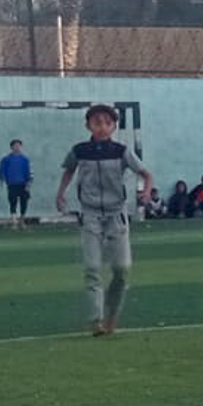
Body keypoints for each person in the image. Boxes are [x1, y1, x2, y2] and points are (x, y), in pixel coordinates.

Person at [54, 104, 155, 337]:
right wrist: (61, 193)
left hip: (116, 215)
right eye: (97, 122)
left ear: (113, 127)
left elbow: (145, 173)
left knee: (121, 268)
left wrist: (147, 191)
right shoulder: (79, 151)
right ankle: (96, 320)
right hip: (89, 215)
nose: (102, 127)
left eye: (107, 123)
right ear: (88, 125)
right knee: (91, 267)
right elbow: (68, 170)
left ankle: (111, 314)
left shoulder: (121, 151)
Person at [0, 139, 33, 228]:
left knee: (24, 201)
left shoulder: (25, 159)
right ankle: (14, 220)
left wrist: (29, 182)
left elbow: (29, 171)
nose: (17, 147)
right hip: (12, 184)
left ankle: (22, 220)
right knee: (13, 201)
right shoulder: (6, 159)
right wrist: (2, 179)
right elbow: (2, 170)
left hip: (23, 184)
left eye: (19, 145)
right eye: (15, 145)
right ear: (11, 147)